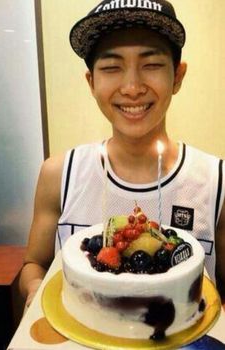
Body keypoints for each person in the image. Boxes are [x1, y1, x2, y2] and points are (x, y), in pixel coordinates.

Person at [19, 0, 225, 310]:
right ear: (91, 81)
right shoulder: (59, 174)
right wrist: (35, 288)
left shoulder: (216, 182)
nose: (131, 87)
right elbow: (33, 263)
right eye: (112, 67)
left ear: (178, 76)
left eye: (152, 64)